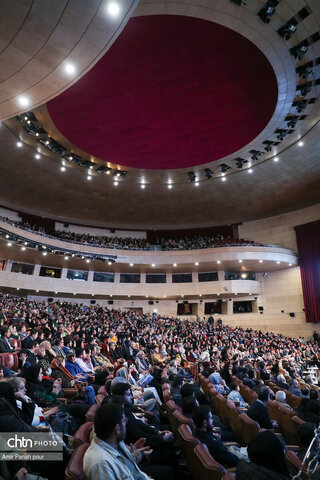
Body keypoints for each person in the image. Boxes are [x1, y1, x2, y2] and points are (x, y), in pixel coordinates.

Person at [84, 402, 174, 480]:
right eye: (124, 421)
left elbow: (121, 467)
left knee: (169, 470)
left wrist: (136, 456)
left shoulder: (113, 440)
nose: (126, 423)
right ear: (117, 429)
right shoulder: (101, 464)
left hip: (136, 474)